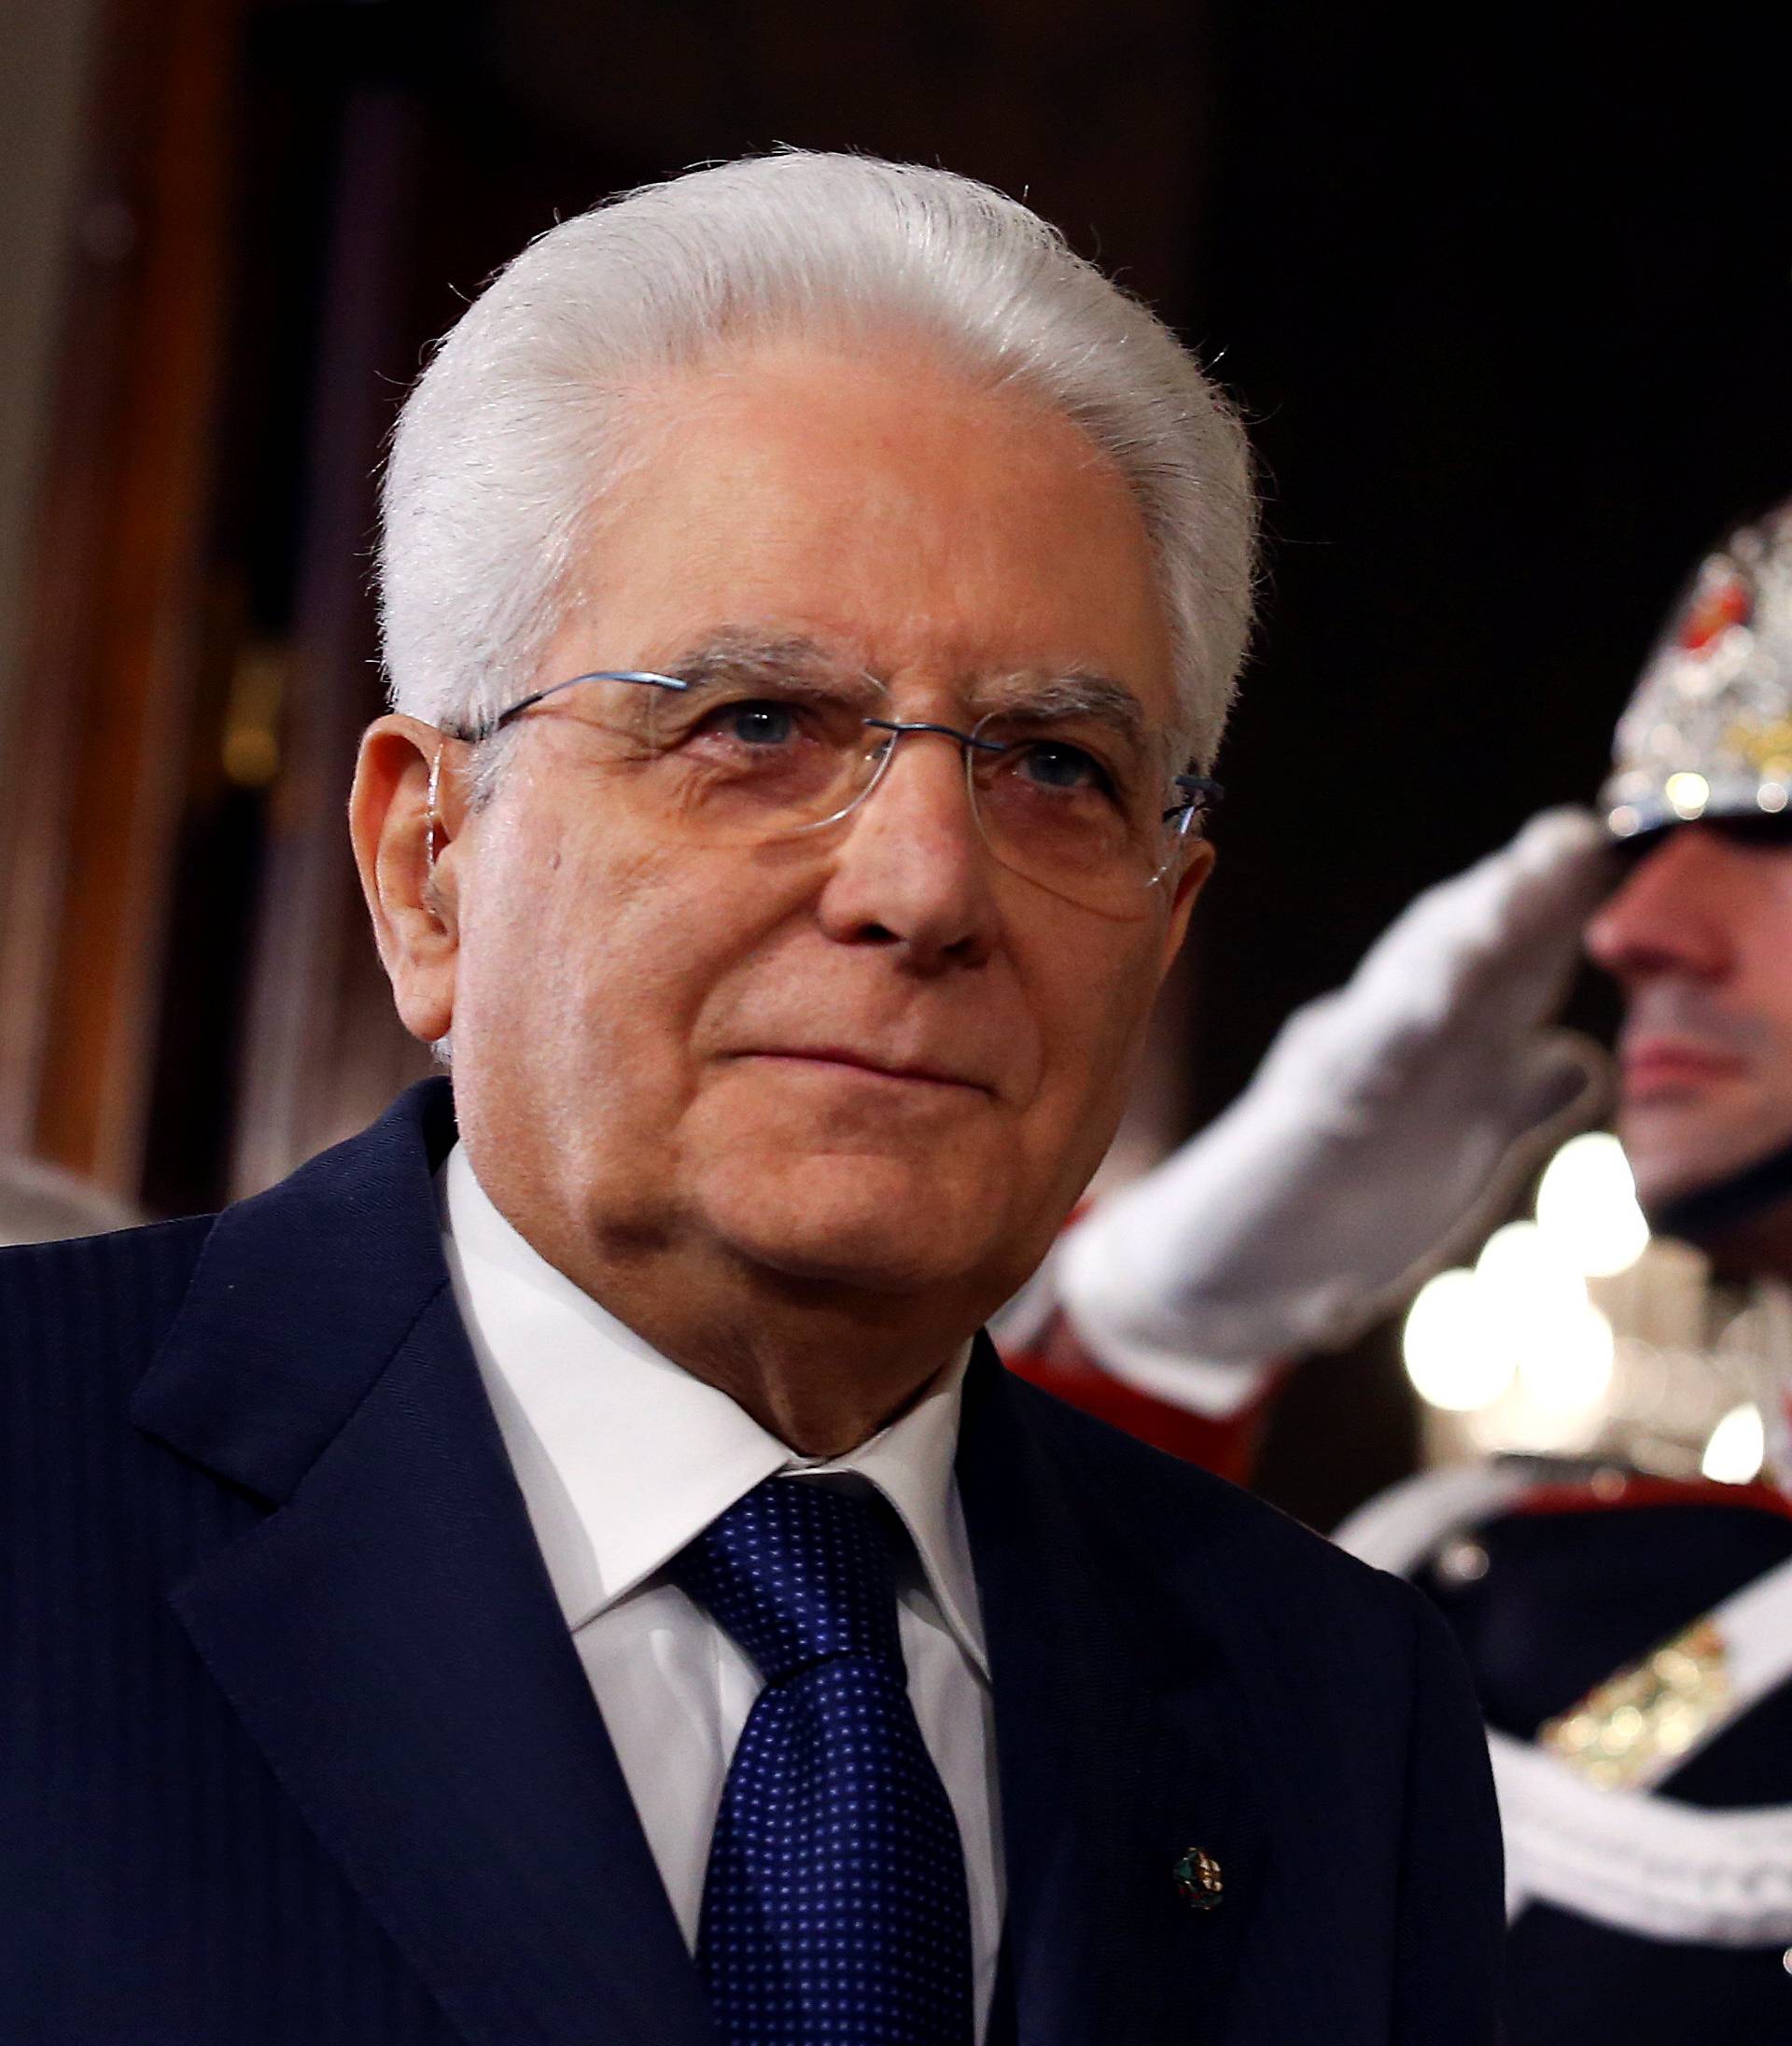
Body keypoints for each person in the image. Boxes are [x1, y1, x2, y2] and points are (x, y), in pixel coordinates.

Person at [0, 153, 1502, 2045]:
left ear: (1164, 916)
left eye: (1053, 765)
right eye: (758, 725)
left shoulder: (1337, 1705)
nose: (928, 884)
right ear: (428, 864)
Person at [1057, 497, 1792, 2039]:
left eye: (1770, 832)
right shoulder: (1529, 1608)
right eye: (1656, 837)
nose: (1640, 926)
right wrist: (1154, 1359)